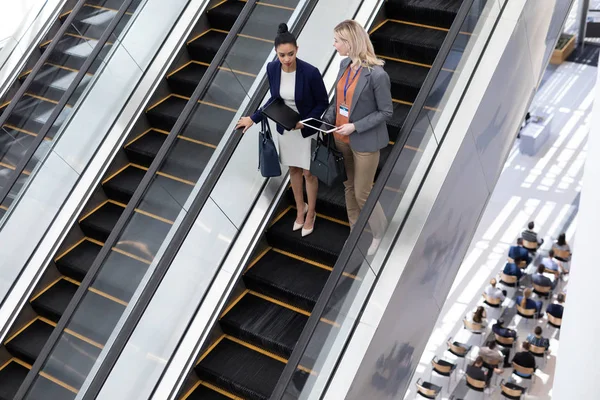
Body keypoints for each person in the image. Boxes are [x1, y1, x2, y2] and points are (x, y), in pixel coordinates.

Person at [236, 23, 328, 237]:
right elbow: (275, 99)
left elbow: (323, 103)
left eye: (290, 54)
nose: (286, 59)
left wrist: (304, 122)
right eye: (282, 55)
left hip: (305, 129)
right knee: (294, 170)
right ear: (275, 52)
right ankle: (300, 208)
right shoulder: (272, 68)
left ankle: (311, 212)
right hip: (286, 129)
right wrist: (254, 118)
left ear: (297, 49)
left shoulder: (310, 72)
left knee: (309, 173)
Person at [323, 20, 393, 256]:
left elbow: (386, 112)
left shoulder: (377, 75)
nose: (334, 45)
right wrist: (326, 120)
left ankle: (380, 233)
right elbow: (338, 100)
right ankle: (356, 231)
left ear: (350, 42)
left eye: (337, 41)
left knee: (363, 191)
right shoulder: (344, 65)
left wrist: (355, 126)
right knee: (348, 187)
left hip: (363, 141)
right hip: (340, 138)